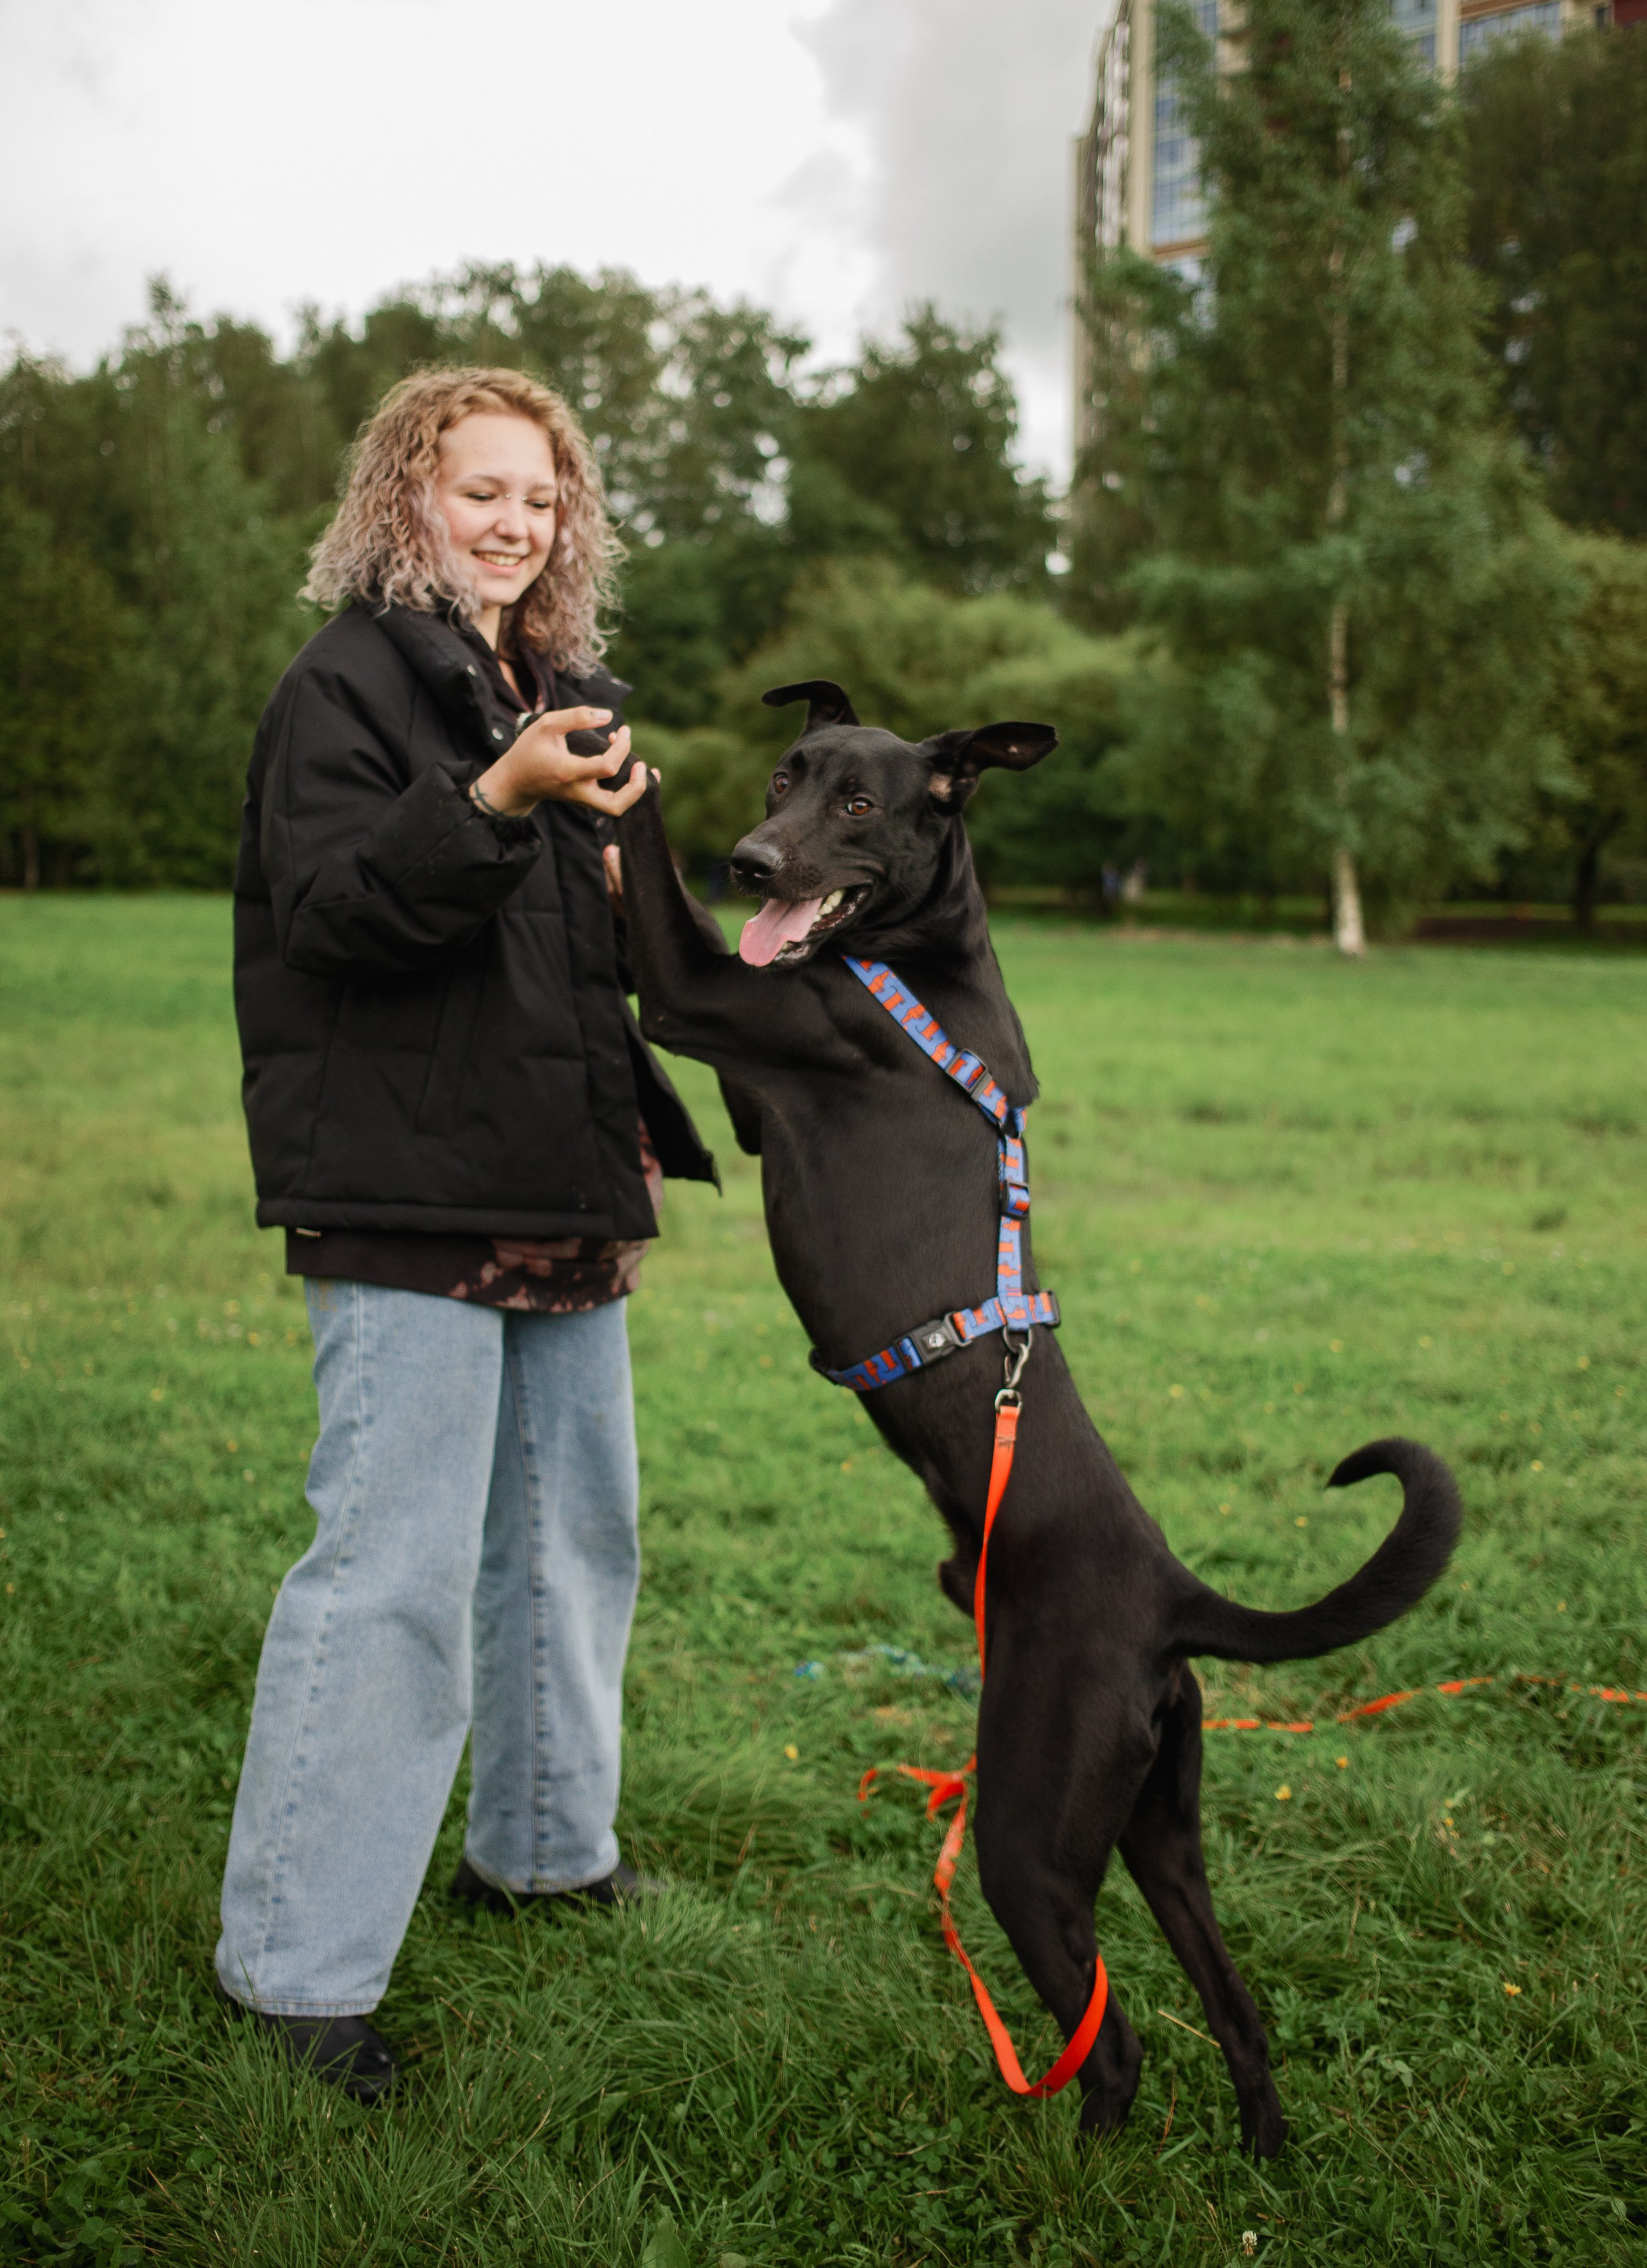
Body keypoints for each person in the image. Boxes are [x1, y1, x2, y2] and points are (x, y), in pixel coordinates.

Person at [218, 367, 715, 2102]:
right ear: (401, 501)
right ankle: (294, 1972)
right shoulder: (344, 684)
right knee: (395, 1575)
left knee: (579, 1535)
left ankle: (547, 1850)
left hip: (558, 1185)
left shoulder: (563, 692)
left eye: (542, 496)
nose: (515, 522)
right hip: (410, 1187)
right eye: (478, 489)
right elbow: (339, 913)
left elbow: (599, 969)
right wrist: (495, 801)